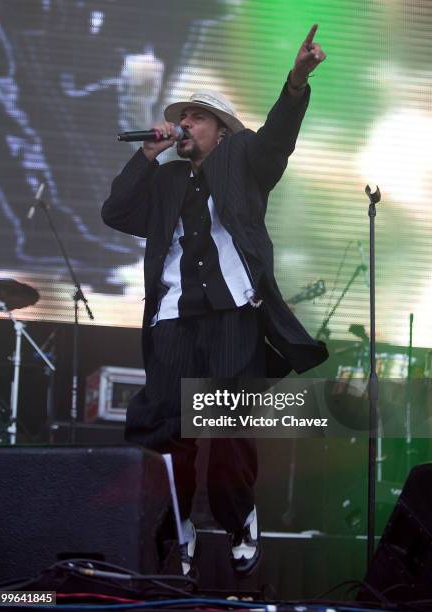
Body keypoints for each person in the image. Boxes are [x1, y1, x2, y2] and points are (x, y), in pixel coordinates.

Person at [102, 24, 328, 576]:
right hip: (174, 319)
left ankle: (238, 516)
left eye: (196, 117)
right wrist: (148, 157)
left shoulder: (244, 159)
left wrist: (296, 81)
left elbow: (277, 136)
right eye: (181, 117)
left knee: (229, 431)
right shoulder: (165, 181)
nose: (184, 124)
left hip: (233, 315)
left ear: (222, 131)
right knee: (167, 430)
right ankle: (175, 520)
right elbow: (116, 213)